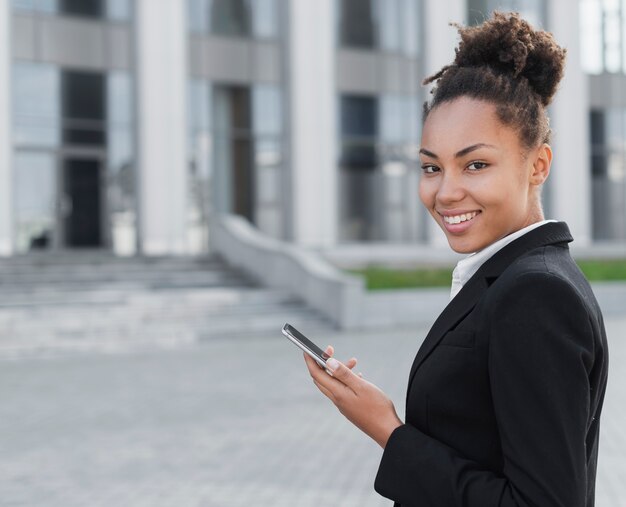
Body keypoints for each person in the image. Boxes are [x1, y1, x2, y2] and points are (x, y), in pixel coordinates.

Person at [303, 12, 609, 507]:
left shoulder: (536, 293)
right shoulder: (511, 276)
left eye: (476, 164)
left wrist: (387, 430)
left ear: (538, 165)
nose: (446, 192)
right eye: (431, 166)